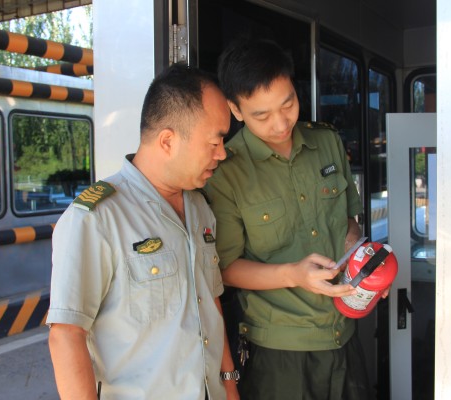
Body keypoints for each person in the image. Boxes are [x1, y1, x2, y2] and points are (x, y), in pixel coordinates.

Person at [47, 63, 239, 400]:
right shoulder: (96, 219)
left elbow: (209, 301)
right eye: (214, 142)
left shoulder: (199, 208)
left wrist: (229, 383)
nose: (222, 153)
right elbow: (66, 335)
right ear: (167, 141)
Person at [206, 38, 374, 399]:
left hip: (344, 332)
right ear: (235, 110)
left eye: (288, 104)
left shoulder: (327, 142)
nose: (281, 123)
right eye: (262, 115)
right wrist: (294, 274)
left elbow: (347, 223)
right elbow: (225, 269)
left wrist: (363, 267)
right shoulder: (226, 173)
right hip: (279, 352)